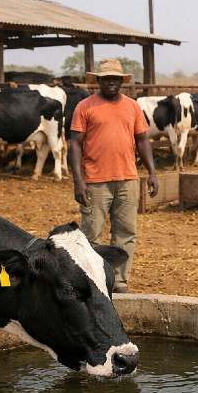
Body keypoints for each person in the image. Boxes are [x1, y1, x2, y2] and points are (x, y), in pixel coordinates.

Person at [69, 58, 158, 294]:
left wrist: (151, 172)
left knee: (125, 233)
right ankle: (92, 280)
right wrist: (78, 180)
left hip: (128, 178)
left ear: (122, 81)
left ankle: (119, 281)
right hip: (95, 181)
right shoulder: (85, 107)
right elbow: (75, 145)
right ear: (98, 81)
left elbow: (142, 140)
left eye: (115, 78)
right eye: (106, 78)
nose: (110, 82)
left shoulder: (132, 107)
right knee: (91, 234)